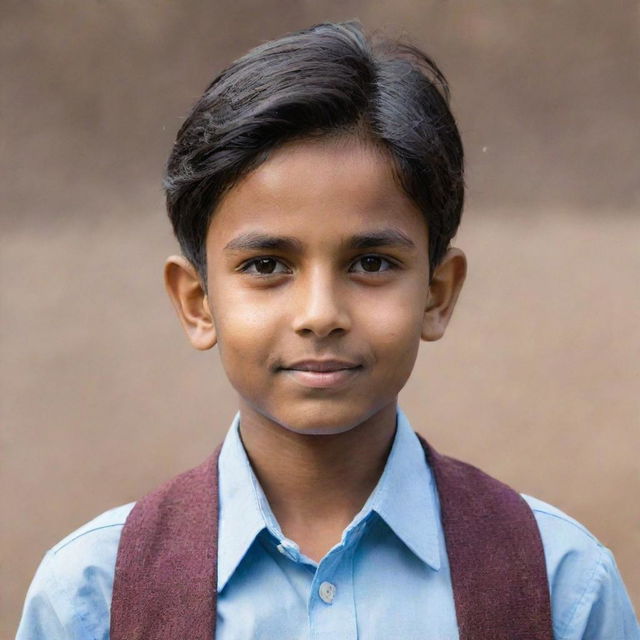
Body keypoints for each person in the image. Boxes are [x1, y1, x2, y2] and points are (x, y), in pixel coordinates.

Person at [16, 20, 638, 639]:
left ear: (437, 293)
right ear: (197, 301)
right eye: (266, 266)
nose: (320, 313)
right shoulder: (90, 597)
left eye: (371, 263)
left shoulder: (561, 586)